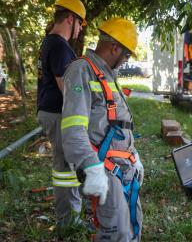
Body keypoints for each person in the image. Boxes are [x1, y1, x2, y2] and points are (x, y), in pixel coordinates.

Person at [61, 17, 144, 241]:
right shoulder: (82, 70)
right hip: (104, 167)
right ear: (114, 47)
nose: (126, 60)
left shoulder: (107, 73)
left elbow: (115, 120)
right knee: (117, 232)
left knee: (133, 223)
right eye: (126, 55)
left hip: (123, 165)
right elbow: (72, 129)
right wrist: (91, 166)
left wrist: (133, 155)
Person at [36, 0, 86, 231]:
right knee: (66, 170)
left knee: (67, 166)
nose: (80, 30)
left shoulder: (50, 42)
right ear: (70, 18)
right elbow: (67, 90)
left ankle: (71, 217)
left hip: (50, 112)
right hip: (57, 114)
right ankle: (68, 224)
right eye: (80, 24)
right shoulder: (59, 45)